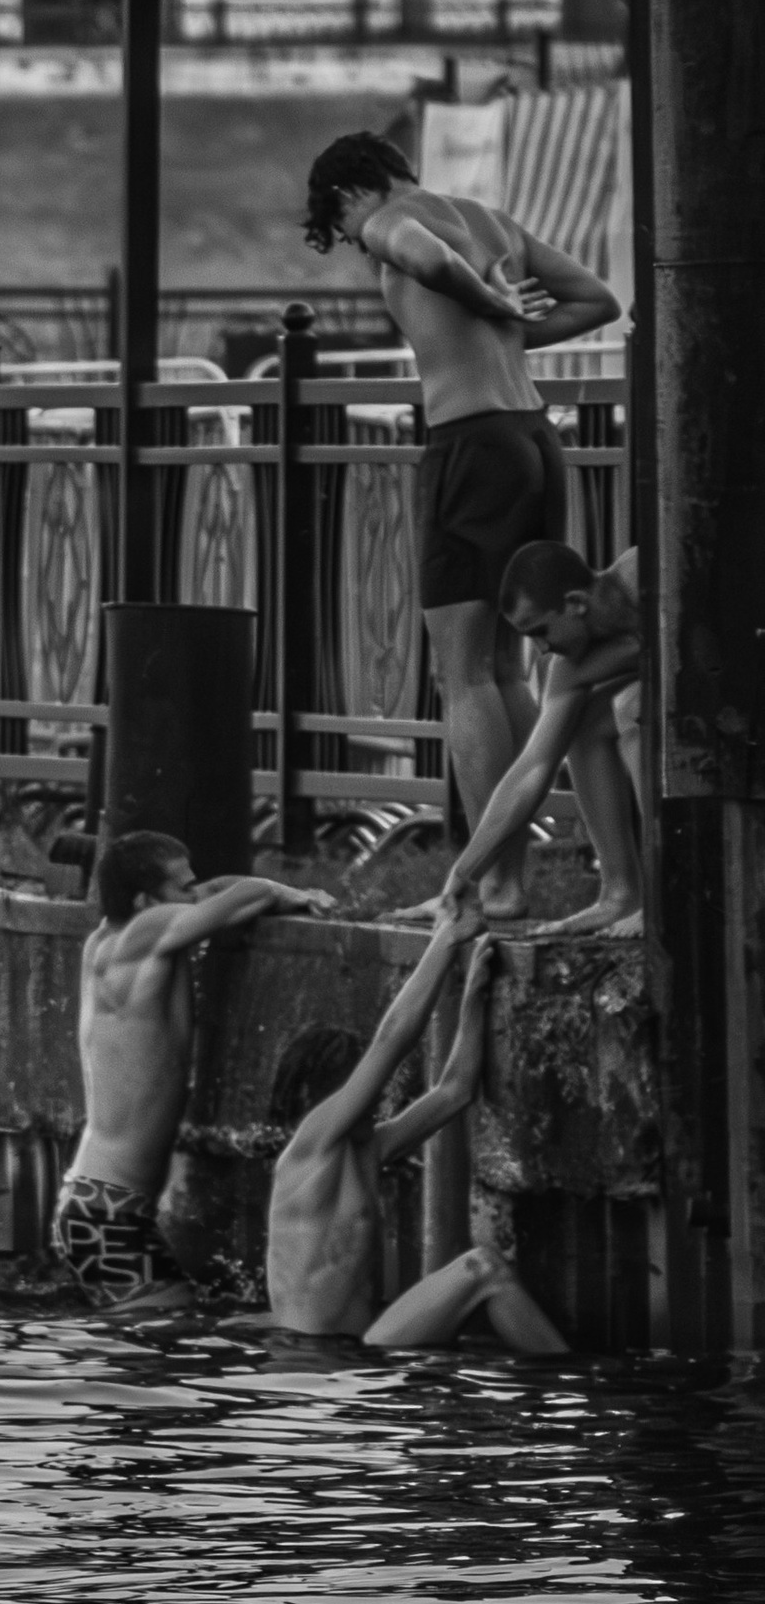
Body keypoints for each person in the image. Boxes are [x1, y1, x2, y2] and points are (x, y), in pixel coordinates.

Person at [301, 133, 619, 918]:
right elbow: (599, 301)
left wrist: (486, 303)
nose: (356, 246)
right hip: (535, 439)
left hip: (471, 445)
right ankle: (513, 876)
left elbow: (420, 253)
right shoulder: (492, 219)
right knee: (508, 669)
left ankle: (497, 885)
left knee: (464, 673)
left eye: (343, 233)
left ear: (350, 194)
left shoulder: (386, 219)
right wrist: (505, 324)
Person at [261, 910, 565, 1351]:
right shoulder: (311, 1146)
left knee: (486, 1272)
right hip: (313, 1357)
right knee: (482, 1269)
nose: (375, 1099)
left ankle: (566, 1384)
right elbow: (393, 1041)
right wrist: (445, 940)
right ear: (328, 1095)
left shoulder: (370, 1148)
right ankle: (565, 1386)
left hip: (359, 1353)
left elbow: (454, 1091)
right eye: (359, 1088)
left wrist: (474, 998)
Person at [55, 831, 332, 1296]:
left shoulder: (111, 938)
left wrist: (226, 891)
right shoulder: (144, 934)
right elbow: (247, 893)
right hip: (108, 1215)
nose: (195, 892)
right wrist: (294, 893)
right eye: (183, 888)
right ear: (146, 901)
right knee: (166, 1340)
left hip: (99, 1207)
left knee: (158, 1345)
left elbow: (216, 889)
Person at [439, 539, 643, 938]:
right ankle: (621, 895)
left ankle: (666, 898)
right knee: (584, 725)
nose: (542, 647)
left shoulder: (647, 575)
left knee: (632, 708)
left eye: (541, 631)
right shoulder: (569, 669)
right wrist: (466, 871)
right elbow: (532, 767)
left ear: (575, 603)